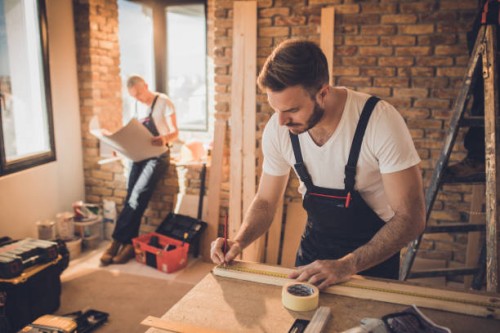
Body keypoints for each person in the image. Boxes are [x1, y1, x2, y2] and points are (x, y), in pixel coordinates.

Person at [210, 39, 426, 289]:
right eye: (275, 109)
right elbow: (266, 201)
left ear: (323, 93)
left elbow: (412, 218)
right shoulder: (279, 128)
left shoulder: (379, 122)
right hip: (312, 256)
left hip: (371, 261)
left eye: (291, 109)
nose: (281, 122)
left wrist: (347, 265)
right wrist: (239, 241)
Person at [100, 75, 178, 265]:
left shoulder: (163, 102)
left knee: (137, 197)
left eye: (140, 94)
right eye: (134, 96)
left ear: (146, 86)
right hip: (138, 156)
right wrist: (117, 143)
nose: (138, 99)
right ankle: (127, 243)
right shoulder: (135, 106)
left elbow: (175, 132)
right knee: (131, 198)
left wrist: (164, 138)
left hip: (158, 156)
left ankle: (117, 242)